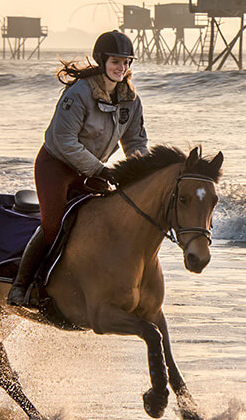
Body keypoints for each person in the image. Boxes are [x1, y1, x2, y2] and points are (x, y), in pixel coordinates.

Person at [8, 30, 148, 309]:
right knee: (52, 226)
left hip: (91, 171)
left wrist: (139, 172)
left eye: (126, 62)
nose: (121, 68)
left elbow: (135, 141)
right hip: (56, 167)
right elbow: (65, 141)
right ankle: (21, 286)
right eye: (115, 62)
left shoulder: (130, 99)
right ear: (101, 61)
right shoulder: (80, 93)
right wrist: (100, 170)